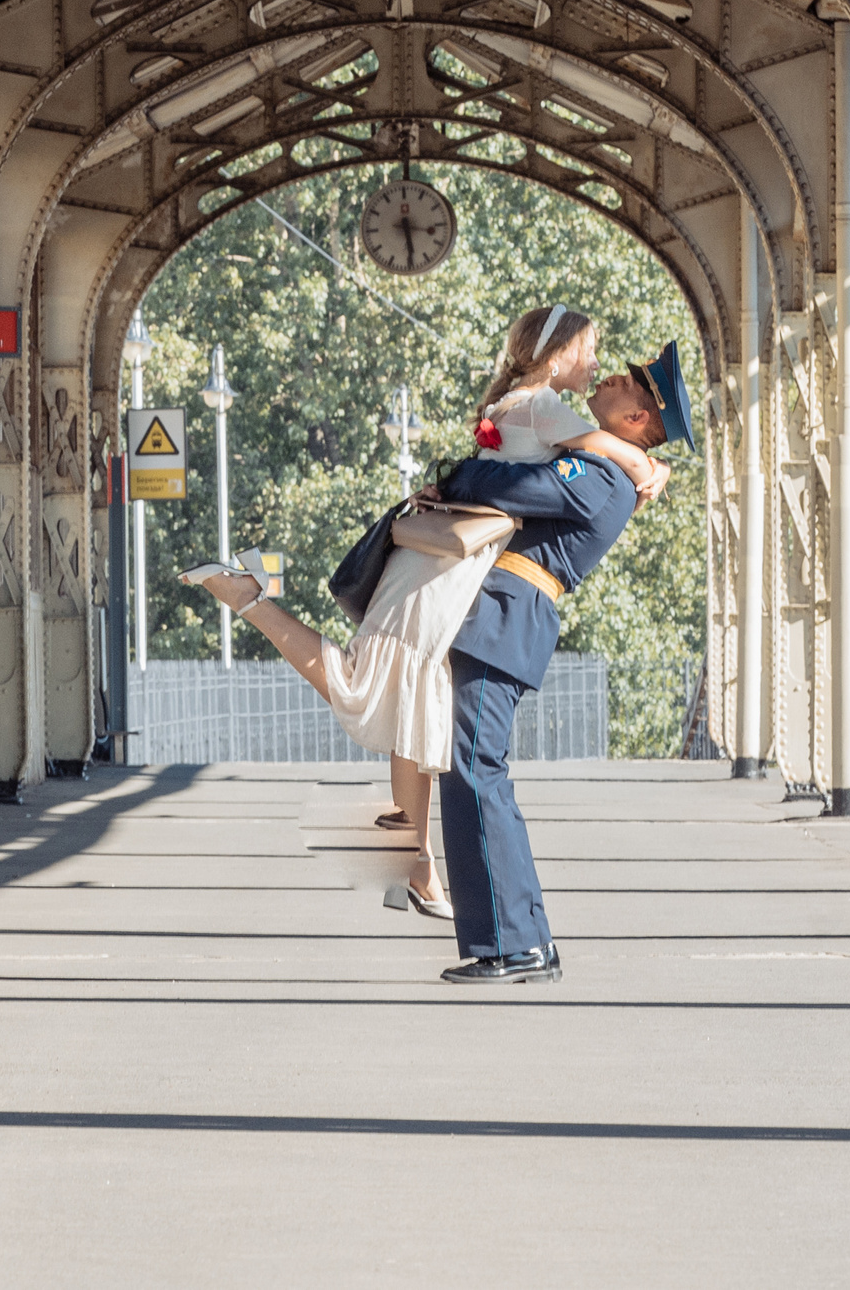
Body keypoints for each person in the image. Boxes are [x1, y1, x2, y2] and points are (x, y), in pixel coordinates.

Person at [189, 343, 694, 983]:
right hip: (498, 622)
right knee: (477, 771)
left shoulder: (602, 475)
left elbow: (505, 482)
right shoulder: (605, 464)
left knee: (477, 771)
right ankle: (520, 941)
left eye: (627, 384)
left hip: (501, 622)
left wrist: (457, 475)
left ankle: (513, 946)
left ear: (638, 421)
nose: (613, 378)